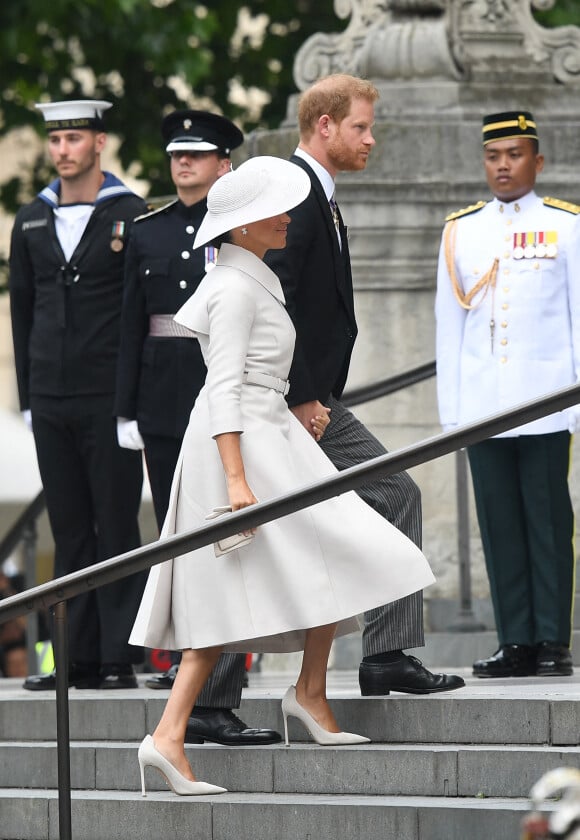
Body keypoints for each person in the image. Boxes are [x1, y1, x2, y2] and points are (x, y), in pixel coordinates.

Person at [130, 155, 435, 796]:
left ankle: (307, 693)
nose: (287, 218)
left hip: (271, 437)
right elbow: (222, 389)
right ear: (242, 226)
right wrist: (237, 481)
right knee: (220, 603)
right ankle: (169, 736)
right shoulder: (236, 289)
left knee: (333, 554)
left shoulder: (252, 280)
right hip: (241, 448)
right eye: (273, 210)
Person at [265, 73, 464, 697]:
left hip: (316, 399)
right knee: (250, 536)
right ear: (324, 127)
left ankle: (387, 654)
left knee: (394, 493)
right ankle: (212, 699)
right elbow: (278, 300)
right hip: (286, 402)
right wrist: (300, 395)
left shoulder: (318, 195)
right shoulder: (294, 194)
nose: (370, 140)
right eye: (360, 127)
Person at [115, 109, 280, 745]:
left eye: (197, 154)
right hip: (163, 396)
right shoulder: (148, 230)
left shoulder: (240, 226)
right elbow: (133, 322)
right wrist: (125, 408)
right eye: (177, 155)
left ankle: (222, 682)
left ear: (222, 163)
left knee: (233, 541)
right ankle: (186, 663)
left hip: (221, 398)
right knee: (177, 541)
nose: (183, 163)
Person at [435, 110, 580, 678]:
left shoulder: (566, 225)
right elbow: (450, 326)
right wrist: (455, 414)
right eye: (494, 156)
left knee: (547, 521)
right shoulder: (461, 230)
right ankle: (514, 640)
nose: (503, 165)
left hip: (544, 399)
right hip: (484, 404)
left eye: (514, 154)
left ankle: (552, 640)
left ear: (537, 161)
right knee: (498, 523)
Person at [9, 99, 147, 690]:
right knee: (69, 527)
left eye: (74, 138)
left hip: (107, 396)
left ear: (99, 144)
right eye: (56, 139)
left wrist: (131, 401)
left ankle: (115, 657)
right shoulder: (31, 219)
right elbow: (22, 310)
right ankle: (71, 659)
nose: (63, 149)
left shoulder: (130, 212)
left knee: (114, 524)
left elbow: (138, 313)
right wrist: (28, 397)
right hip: (51, 395)